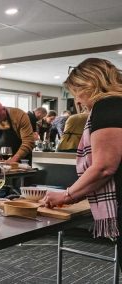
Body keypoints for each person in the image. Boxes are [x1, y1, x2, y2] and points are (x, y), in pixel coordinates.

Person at [42, 58, 122, 266]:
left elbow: (104, 167)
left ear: (89, 84)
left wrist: (67, 195)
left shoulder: (108, 106)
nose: (78, 101)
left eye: (76, 92)